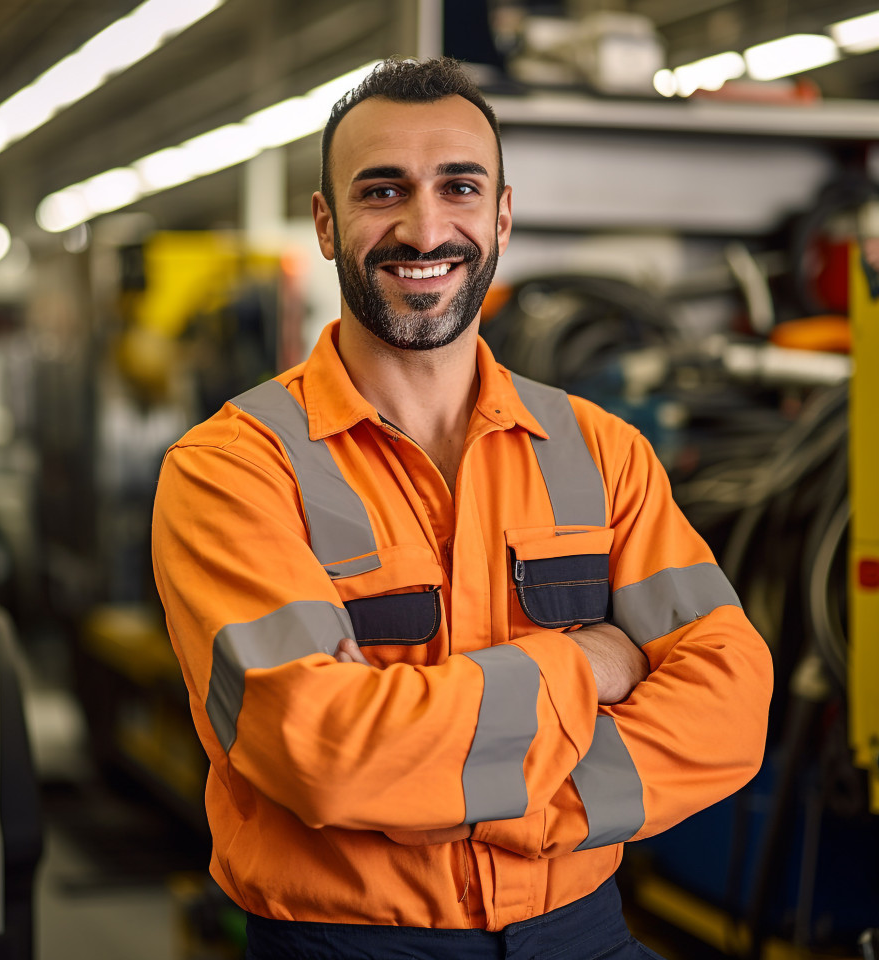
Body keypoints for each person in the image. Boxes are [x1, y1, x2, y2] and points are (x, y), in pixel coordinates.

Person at [152, 57, 773, 960]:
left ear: (501, 217)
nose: (424, 226)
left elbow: (730, 700)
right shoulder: (233, 470)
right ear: (326, 224)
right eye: (381, 191)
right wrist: (580, 665)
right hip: (348, 945)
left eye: (459, 187)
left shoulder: (602, 452)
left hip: (582, 934)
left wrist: (492, 799)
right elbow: (322, 751)